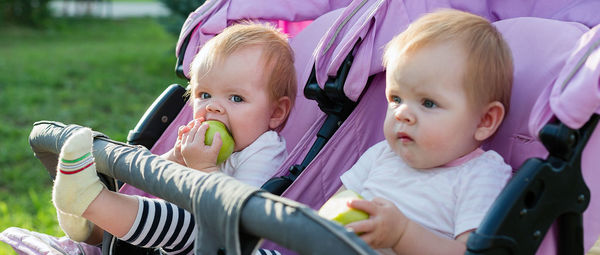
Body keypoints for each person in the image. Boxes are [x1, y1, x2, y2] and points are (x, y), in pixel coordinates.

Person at [51, 22, 296, 254]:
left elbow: (239, 212)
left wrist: (204, 167)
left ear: (276, 113)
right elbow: (157, 181)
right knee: (156, 209)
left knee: (176, 220)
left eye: (236, 98)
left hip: (230, 245)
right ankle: (89, 226)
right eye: (205, 94)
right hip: (188, 238)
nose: (213, 108)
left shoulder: (265, 150)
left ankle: (89, 202)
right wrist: (176, 158)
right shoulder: (206, 141)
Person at [332, 9, 514, 254]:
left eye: (428, 103)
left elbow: (470, 252)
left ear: (484, 121)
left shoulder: (480, 176)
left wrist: (402, 235)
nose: (401, 113)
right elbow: (336, 206)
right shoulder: (382, 154)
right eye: (395, 98)